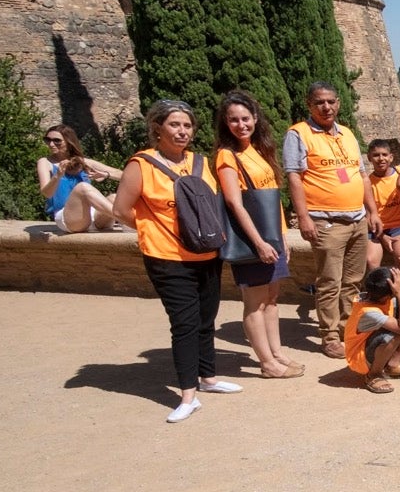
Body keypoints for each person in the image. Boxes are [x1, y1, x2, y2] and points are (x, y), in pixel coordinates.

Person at [111, 100, 240, 422]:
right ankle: (188, 395)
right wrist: (155, 229)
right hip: (167, 257)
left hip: (207, 253)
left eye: (187, 125)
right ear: (158, 128)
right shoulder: (141, 165)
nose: (182, 131)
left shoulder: (201, 162)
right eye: (174, 125)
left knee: (206, 319)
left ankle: (208, 378)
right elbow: (122, 210)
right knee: (184, 324)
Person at [285, 82, 379, 359]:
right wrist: (303, 217)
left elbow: (362, 175)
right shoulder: (299, 134)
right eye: (319, 102)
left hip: (357, 218)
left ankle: (347, 328)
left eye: (331, 101)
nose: (326, 107)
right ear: (309, 105)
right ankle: (329, 336)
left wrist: (372, 211)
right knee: (329, 281)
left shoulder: (347, 134)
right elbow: (294, 177)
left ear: (338, 103)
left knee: (353, 280)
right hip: (326, 221)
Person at [213, 91, 302, 379]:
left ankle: (277, 353)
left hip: (271, 237)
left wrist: (282, 237)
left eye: (245, 118)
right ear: (225, 123)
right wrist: (259, 243)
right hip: (252, 240)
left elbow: (271, 201)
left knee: (272, 298)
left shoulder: (259, 150)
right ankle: (266, 362)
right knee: (255, 302)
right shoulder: (227, 156)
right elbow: (234, 203)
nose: (241, 125)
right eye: (234, 120)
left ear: (255, 118)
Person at [343, 263, 400, 394]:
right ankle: (373, 375)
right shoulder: (369, 312)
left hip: (372, 344)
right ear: (389, 295)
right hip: (359, 357)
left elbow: (392, 291)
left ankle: (392, 366)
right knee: (395, 333)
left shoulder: (376, 295)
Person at [37, 124, 122, 232]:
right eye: (47, 140)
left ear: (69, 142)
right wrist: (57, 176)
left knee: (114, 198)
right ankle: (129, 220)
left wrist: (105, 174)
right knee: (82, 187)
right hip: (68, 217)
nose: (51, 144)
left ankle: (128, 219)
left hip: (93, 216)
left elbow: (123, 175)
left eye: (57, 141)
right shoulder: (45, 162)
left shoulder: (83, 162)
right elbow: (46, 193)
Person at [365, 139, 400, 269]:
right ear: (369, 158)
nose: (381, 159)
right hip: (376, 228)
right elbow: (367, 216)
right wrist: (382, 236)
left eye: (384, 155)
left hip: (399, 225)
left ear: (391, 157)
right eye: (376, 155)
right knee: (371, 261)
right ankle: (380, 283)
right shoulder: (367, 183)